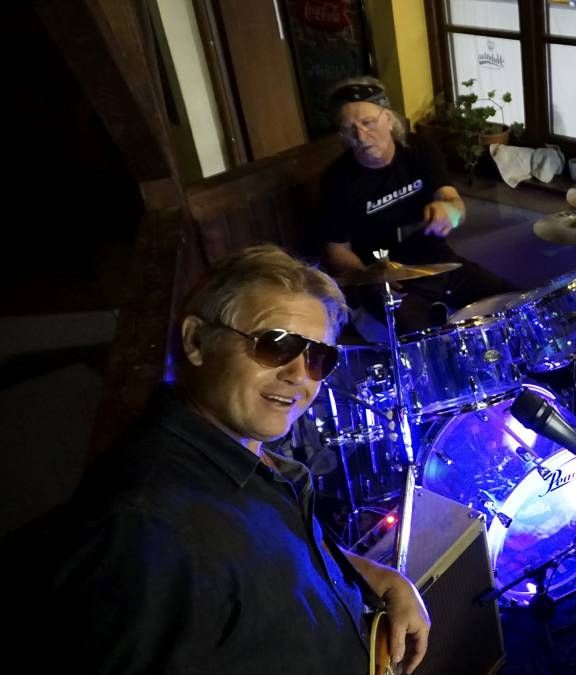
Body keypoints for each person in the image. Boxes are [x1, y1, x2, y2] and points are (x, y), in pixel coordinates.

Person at [14, 245, 430, 674]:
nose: (298, 375)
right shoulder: (144, 529)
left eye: (317, 357)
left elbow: (269, 562)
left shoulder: (244, 454)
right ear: (196, 341)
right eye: (275, 345)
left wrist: (375, 576)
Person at [318, 76, 518, 337]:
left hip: (439, 262)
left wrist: (450, 212)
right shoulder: (337, 180)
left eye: (368, 123)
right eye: (349, 129)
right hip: (388, 283)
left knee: (514, 302)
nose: (361, 136)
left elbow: (454, 203)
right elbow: (336, 251)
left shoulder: (419, 149)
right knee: (424, 339)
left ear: (389, 119)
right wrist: (369, 275)